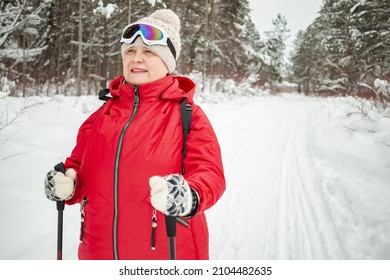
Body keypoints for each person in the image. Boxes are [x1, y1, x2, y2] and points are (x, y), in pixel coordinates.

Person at [44, 9, 225, 260]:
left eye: (148, 52)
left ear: (167, 62)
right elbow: (78, 170)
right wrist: (67, 185)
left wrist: (189, 195)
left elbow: (210, 174)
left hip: (166, 252)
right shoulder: (99, 117)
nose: (136, 59)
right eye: (130, 51)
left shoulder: (188, 115)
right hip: (98, 252)